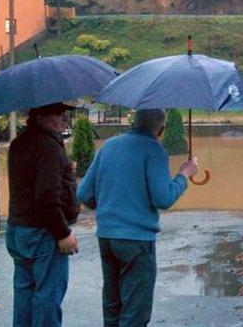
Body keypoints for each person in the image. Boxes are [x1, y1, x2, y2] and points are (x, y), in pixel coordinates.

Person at [77, 109, 198, 327]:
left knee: (113, 306)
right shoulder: (154, 149)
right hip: (137, 241)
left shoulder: (109, 146)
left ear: (134, 121)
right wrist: (184, 174)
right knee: (135, 312)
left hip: (106, 236)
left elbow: (84, 193)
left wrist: (108, 207)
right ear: (160, 129)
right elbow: (164, 198)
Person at [6, 102, 79, 327]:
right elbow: (47, 197)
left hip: (19, 229)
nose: (64, 118)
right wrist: (63, 233)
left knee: (25, 293)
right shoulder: (48, 147)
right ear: (40, 117)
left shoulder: (19, 143)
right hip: (43, 233)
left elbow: (29, 184)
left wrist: (64, 173)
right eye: (58, 114)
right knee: (47, 295)